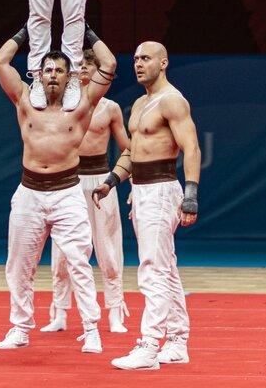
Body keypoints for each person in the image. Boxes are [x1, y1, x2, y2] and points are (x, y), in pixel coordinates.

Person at [0, 27, 119, 354]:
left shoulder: (82, 105)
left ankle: (92, 329)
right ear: (38, 74)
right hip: (29, 193)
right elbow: (0, 60)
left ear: (69, 77)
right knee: (19, 264)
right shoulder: (23, 99)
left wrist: (87, 31)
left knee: (79, 262)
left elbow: (109, 63)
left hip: (67, 192)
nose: (52, 75)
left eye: (59, 70)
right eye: (47, 69)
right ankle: (20, 328)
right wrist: (26, 30)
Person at [97, 41, 201, 371]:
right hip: (140, 190)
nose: (139, 63)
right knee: (165, 268)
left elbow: (192, 148)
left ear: (164, 62)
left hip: (161, 190)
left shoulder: (172, 101)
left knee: (152, 268)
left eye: (146, 58)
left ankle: (149, 344)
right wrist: (112, 181)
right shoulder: (141, 103)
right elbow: (132, 151)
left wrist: (191, 195)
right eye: (137, 58)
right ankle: (177, 341)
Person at [45, 44, 131, 335]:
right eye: (78, 65)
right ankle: (59, 313)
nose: (81, 70)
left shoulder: (110, 109)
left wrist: (131, 185)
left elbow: (128, 150)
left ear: (98, 73)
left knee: (108, 250)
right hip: (66, 182)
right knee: (61, 252)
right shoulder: (60, 106)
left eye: (87, 66)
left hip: (100, 182)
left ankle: (115, 313)